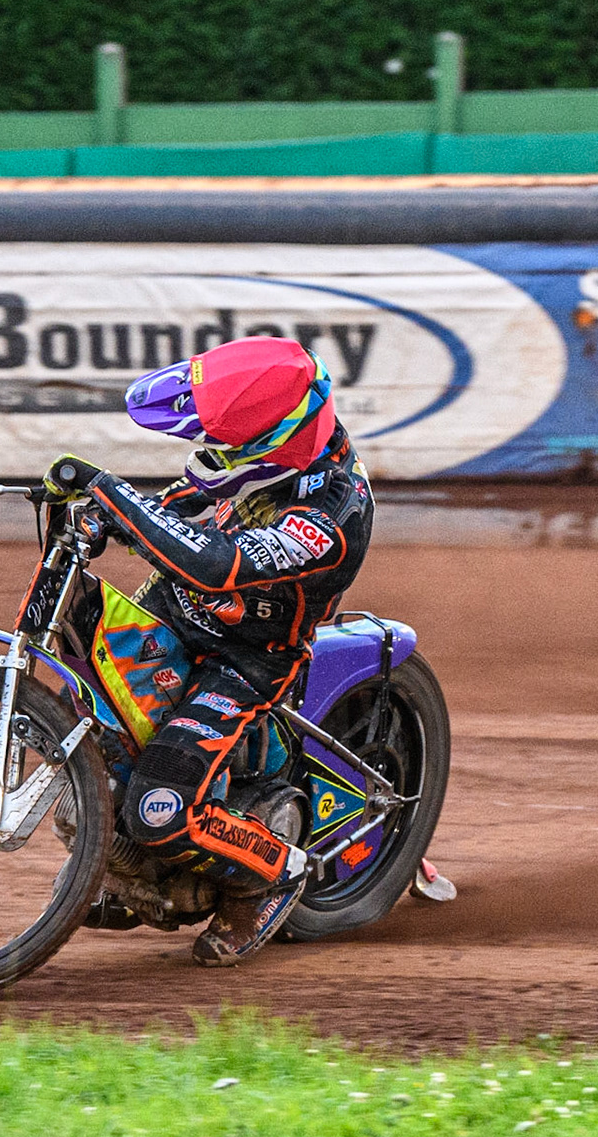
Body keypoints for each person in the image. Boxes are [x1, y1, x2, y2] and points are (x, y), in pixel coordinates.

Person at [42, 335, 374, 966]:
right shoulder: (268, 455)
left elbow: (219, 563)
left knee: (158, 809)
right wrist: (98, 519)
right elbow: (180, 505)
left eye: (223, 449)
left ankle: (274, 872)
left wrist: (111, 493)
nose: (206, 458)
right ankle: (134, 874)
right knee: (82, 733)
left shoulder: (331, 514)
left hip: (248, 661)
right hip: (176, 616)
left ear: (268, 448)